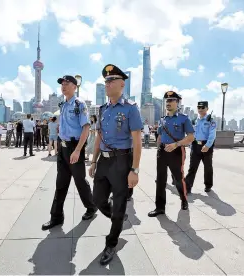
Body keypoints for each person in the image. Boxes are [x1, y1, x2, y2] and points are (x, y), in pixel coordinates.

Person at [89, 64, 143, 265]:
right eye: (106, 81)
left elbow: (137, 141)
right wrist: (93, 160)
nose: (107, 84)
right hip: (103, 160)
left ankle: (111, 243)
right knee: (97, 199)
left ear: (122, 84)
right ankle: (117, 218)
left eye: (111, 80)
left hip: (122, 161)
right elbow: (98, 137)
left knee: (120, 203)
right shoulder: (102, 110)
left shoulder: (130, 108)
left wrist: (134, 170)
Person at [42, 75, 97, 231]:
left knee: (80, 181)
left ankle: (91, 207)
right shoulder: (63, 105)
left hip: (75, 147)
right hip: (63, 147)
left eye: (67, 83)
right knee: (61, 183)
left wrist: (78, 150)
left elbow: (86, 128)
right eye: (62, 84)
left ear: (75, 86)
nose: (63, 86)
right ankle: (56, 217)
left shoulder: (79, 105)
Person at [149, 91, 194, 217]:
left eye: (171, 100)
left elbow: (191, 137)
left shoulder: (184, 118)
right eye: (167, 101)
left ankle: (184, 200)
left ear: (177, 102)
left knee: (178, 179)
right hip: (162, 152)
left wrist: (176, 144)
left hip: (176, 151)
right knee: (161, 180)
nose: (168, 103)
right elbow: (159, 136)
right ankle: (159, 208)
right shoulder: (162, 119)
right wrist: (159, 149)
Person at [184, 101, 216, 194]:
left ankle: (208, 185)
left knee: (208, 167)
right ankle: (188, 187)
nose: (201, 110)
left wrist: (208, 145)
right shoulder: (194, 120)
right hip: (195, 146)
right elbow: (191, 133)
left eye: (203, 108)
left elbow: (212, 134)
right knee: (192, 167)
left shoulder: (211, 120)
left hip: (206, 145)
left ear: (207, 108)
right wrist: (190, 144)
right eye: (199, 108)